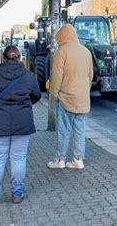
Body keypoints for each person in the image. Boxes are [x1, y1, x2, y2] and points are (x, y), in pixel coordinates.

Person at [0, 46, 41, 207]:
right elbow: (36, 96)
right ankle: (17, 194)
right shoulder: (28, 76)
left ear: (3, 58)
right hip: (23, 123)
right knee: (18, 159)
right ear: (19, 58)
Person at [47, 24, 93, 170]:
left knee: (63, 130)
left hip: (66, 98)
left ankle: (60, 159)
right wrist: (84, 91)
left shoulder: (62, 51)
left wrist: (54, 94)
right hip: (83, 98)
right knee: (80, 129)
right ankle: (78, 159)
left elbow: (57, 77)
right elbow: (90, 76)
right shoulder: (86, 52)